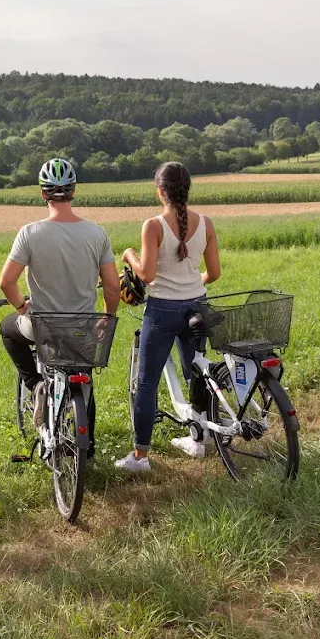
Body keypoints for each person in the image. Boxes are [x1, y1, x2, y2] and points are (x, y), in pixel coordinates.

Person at [0, 158, 120, 449]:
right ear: (74, 190)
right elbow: (113, 286)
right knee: (84, 381)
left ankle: (36, 385)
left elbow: (6, 282)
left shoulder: (29, 233)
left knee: (7, 329)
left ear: (43, 193)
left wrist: (21, 308)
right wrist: (107, 315)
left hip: (43, 326)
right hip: (82, 327)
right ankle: (86, 446)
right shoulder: (96, 234)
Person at [114, 161, 221, 472]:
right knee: (197, 373)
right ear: (187, 189)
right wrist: (191, 286)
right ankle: (199, 440)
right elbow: (213, 273)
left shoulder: (154, 226)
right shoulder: (207, 223)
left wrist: (128, 255)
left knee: (146, 382)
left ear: (159, 191)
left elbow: (146, 275)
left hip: (162, 311)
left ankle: (139, 457)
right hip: (197, 306)